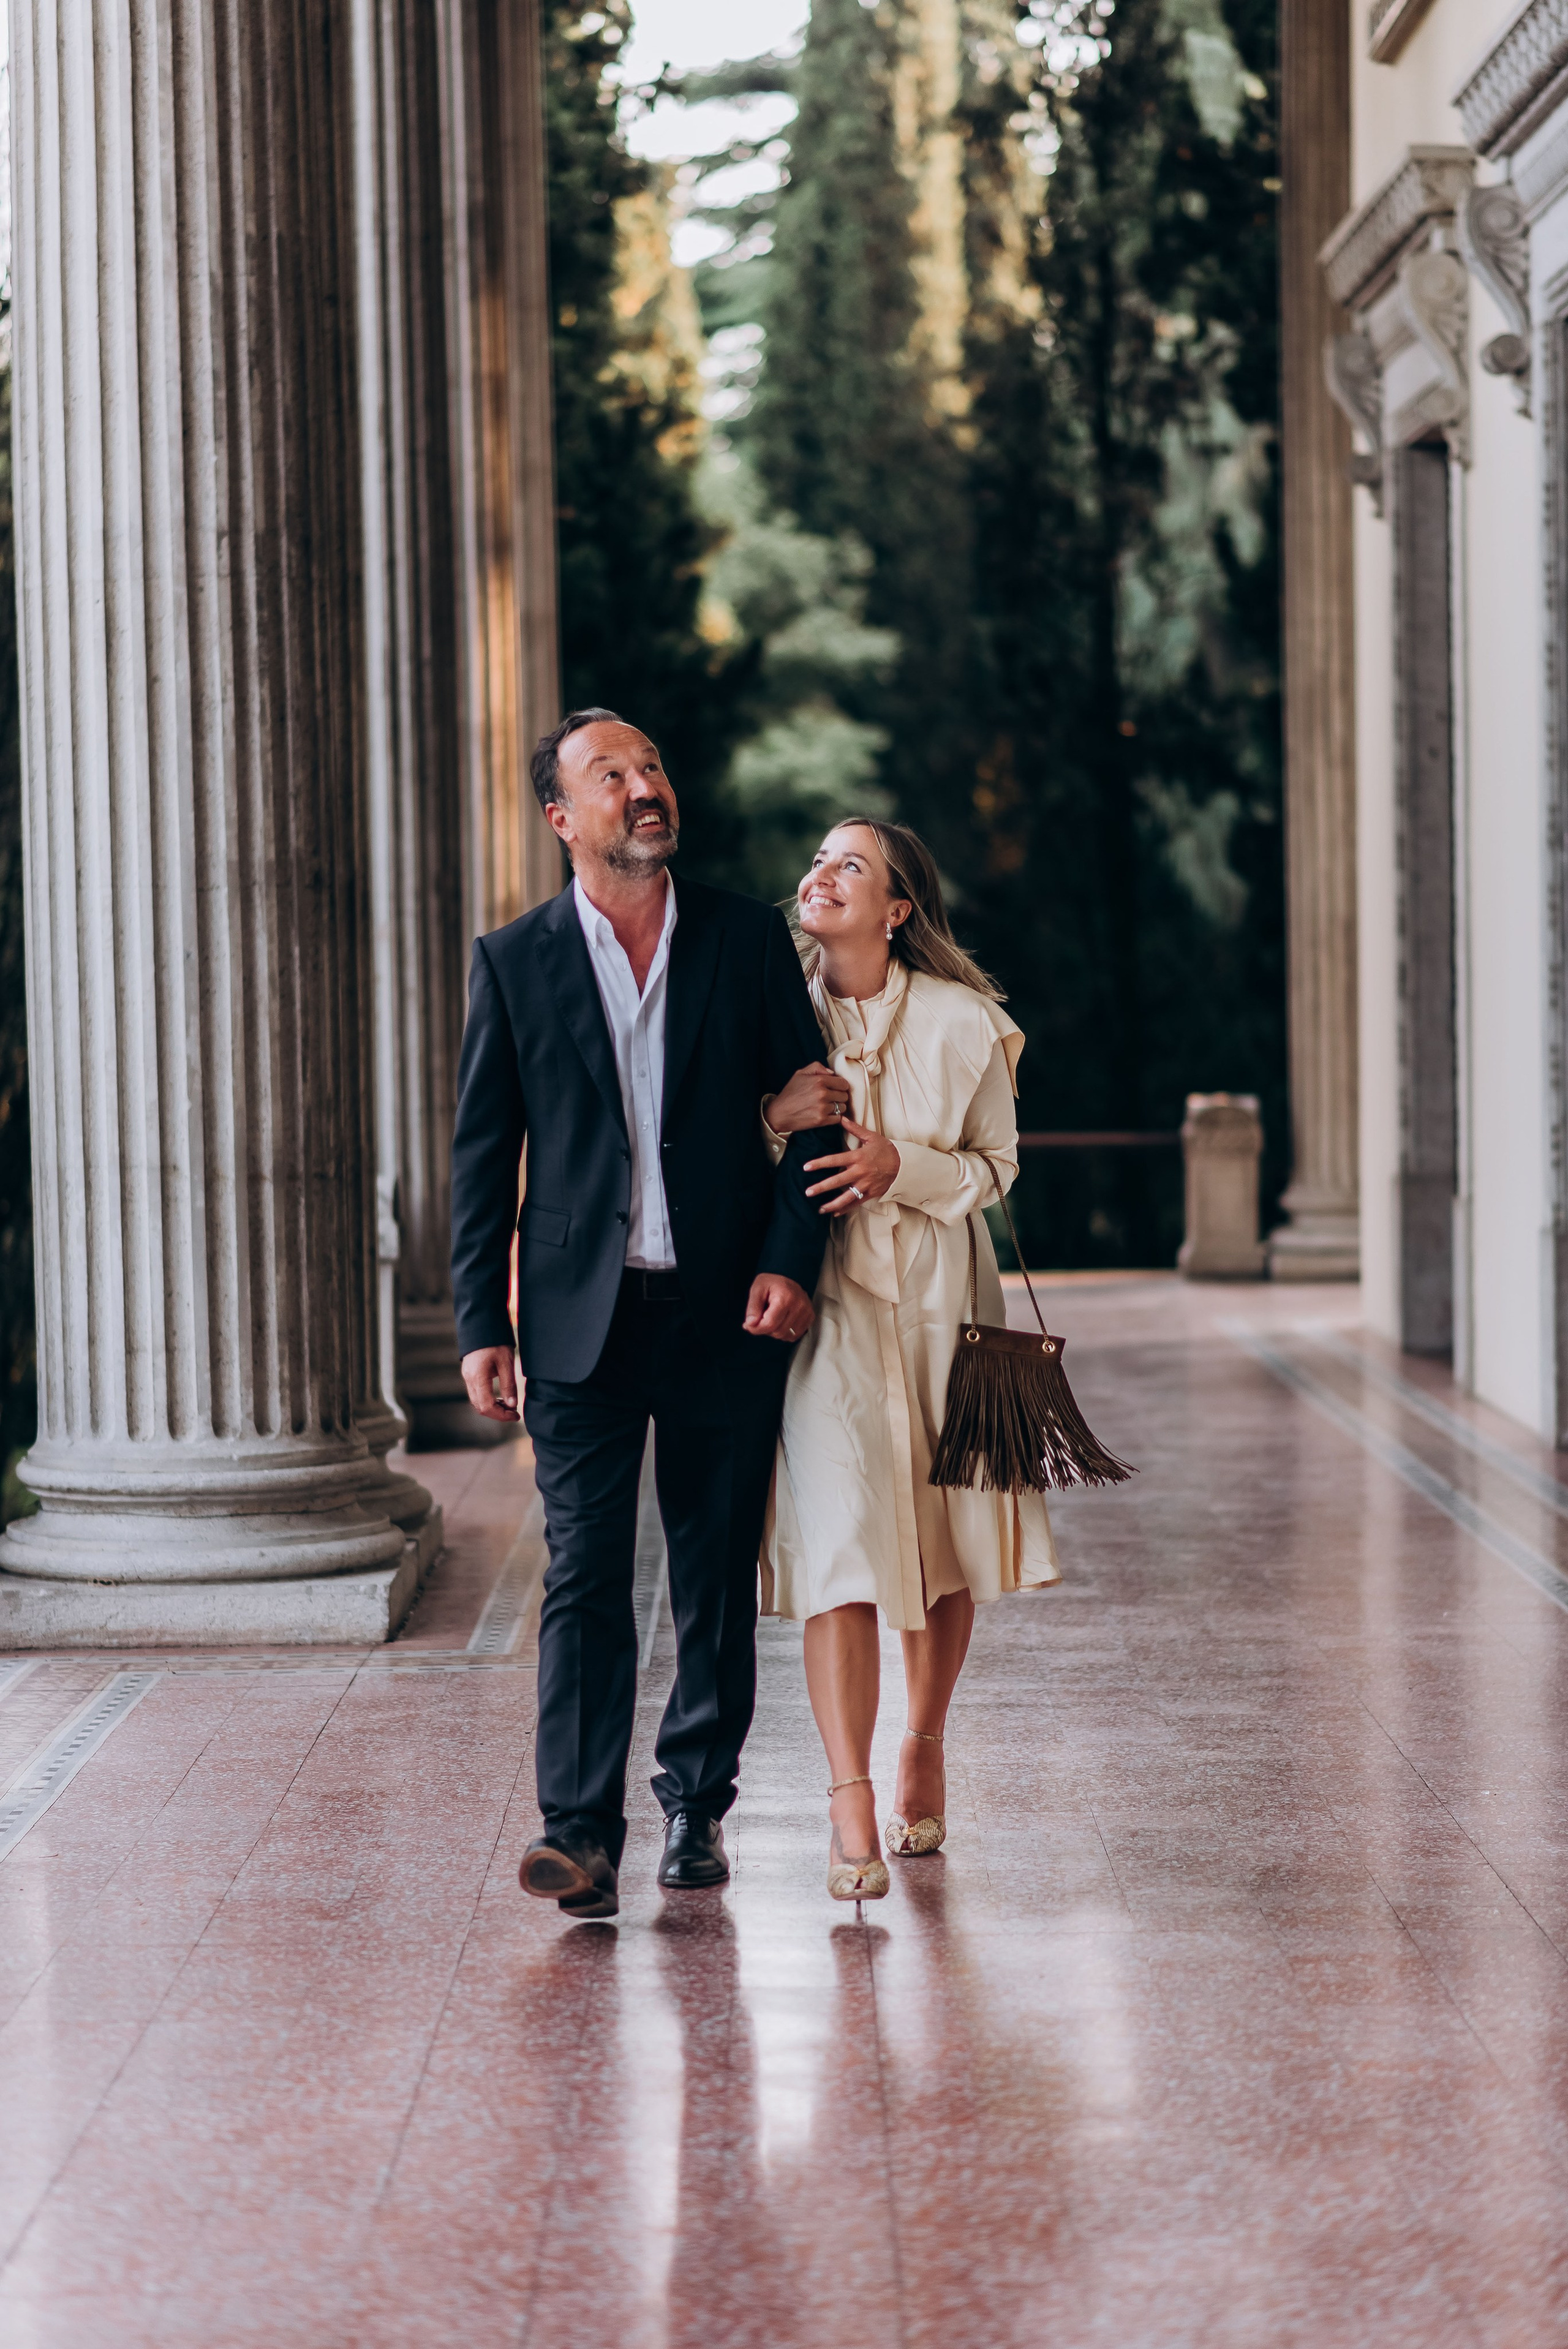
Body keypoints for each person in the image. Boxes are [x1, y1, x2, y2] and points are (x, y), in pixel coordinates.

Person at [450, 710, 835, 1920]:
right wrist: (479, 1319)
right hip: (579, 1318)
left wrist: (792, 1256)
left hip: (724, 1304)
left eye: (652, 766)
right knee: (584, 1573)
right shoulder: (514, 961)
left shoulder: (740, 938)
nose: (643, 787)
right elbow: (481, 1156)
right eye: (610, 775)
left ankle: (694, 1802)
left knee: (713, 1570)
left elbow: (813, 1106)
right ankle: (576, 1830)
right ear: (563, 817)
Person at [760, 818, 1061, 1902]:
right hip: (822, 1303)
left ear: (897, 910)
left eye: (851, 866)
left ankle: (922, 1741)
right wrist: (767, 1115)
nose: (821, 875)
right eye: (817, 860)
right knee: (837, 1540)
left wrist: (907, 1165)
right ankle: (848, 1807)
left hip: (944, 1300)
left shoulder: (967, 1023)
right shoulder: (764, 1008)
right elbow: (710, 1138)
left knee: (941, 1541)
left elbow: (997, 1168)